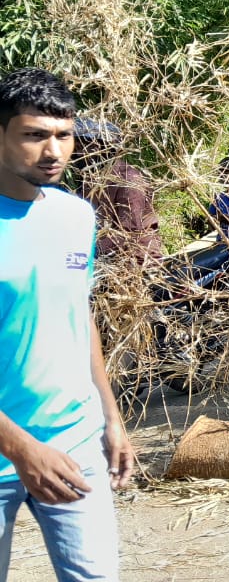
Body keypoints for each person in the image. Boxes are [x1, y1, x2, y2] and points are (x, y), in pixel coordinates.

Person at [0, 68, 135, 580]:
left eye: (63, 135)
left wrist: (111, 418)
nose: (53, 151)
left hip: (72, 440)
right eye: (34, 135)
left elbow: (78, 315)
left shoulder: (77, 216)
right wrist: (21, 448)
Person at [72, 118, 163, 266]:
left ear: (102, 147)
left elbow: (127, 232)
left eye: (82, 146)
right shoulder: (88, 181)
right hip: (104, 262)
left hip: (137, 264)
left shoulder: (129, 179)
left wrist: (87, 253)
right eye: (75, 146)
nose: (76, 151)